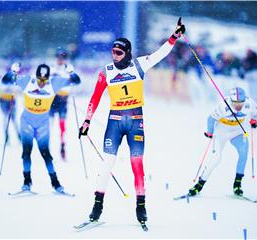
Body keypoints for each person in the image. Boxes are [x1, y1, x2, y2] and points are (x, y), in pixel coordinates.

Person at [78, 18, 186, 225]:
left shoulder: (139, 65)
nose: (114, 55)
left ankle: (141, 207)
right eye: (112, 51)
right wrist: (87, 121)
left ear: (127, 53)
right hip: (114, 123)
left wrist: (174, 37)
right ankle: (97, 206)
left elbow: (161, 53)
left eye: (119, 52)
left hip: (136, 121)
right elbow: (95, 97)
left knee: (136, 164)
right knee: (107, 164)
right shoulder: (106, 72)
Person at [9, 63, 80, 192]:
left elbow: (76, 81)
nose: (41, 83)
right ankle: (27, 182)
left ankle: (56, 183)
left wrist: (71, 72)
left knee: (45, 153)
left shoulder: (54, 83)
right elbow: (6, 80)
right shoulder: (27, 81)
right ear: (35, 76)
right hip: (27, 122)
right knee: (26, 152)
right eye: (39, 79)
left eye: (44, 80)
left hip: (42, 124)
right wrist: (13, 72)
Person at [188, 87, 257, 197]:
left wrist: (254, 120)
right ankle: (199, 184)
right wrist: (210, 132)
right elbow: (211, 118)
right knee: (216, 159)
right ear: (231, 100)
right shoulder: (223, 106)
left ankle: (237, 185)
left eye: (240, 102)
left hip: (237, 132)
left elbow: (255, 112)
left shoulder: (249, 103)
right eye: (235, 102)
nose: (238, 105)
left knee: (244, 153)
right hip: (221, 134)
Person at [49, 50, 81, 160]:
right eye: (58, 57)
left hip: (63, 101)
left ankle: (62, 146)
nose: (60, 59)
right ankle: (46, 148)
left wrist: (71, 74)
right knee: (49, 125)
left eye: (63, 57)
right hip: (52, 100)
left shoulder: (68, 69)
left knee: (62, 126)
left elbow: (77, 81)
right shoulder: (51, 69)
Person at [0, 64, 21, 144]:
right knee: (5, 118)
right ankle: (7, 137)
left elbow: (19, 90)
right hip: (3, 101)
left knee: (14, 119)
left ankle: (19, 136)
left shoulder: (14, 83)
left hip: (12, 101)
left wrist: (14, 94)